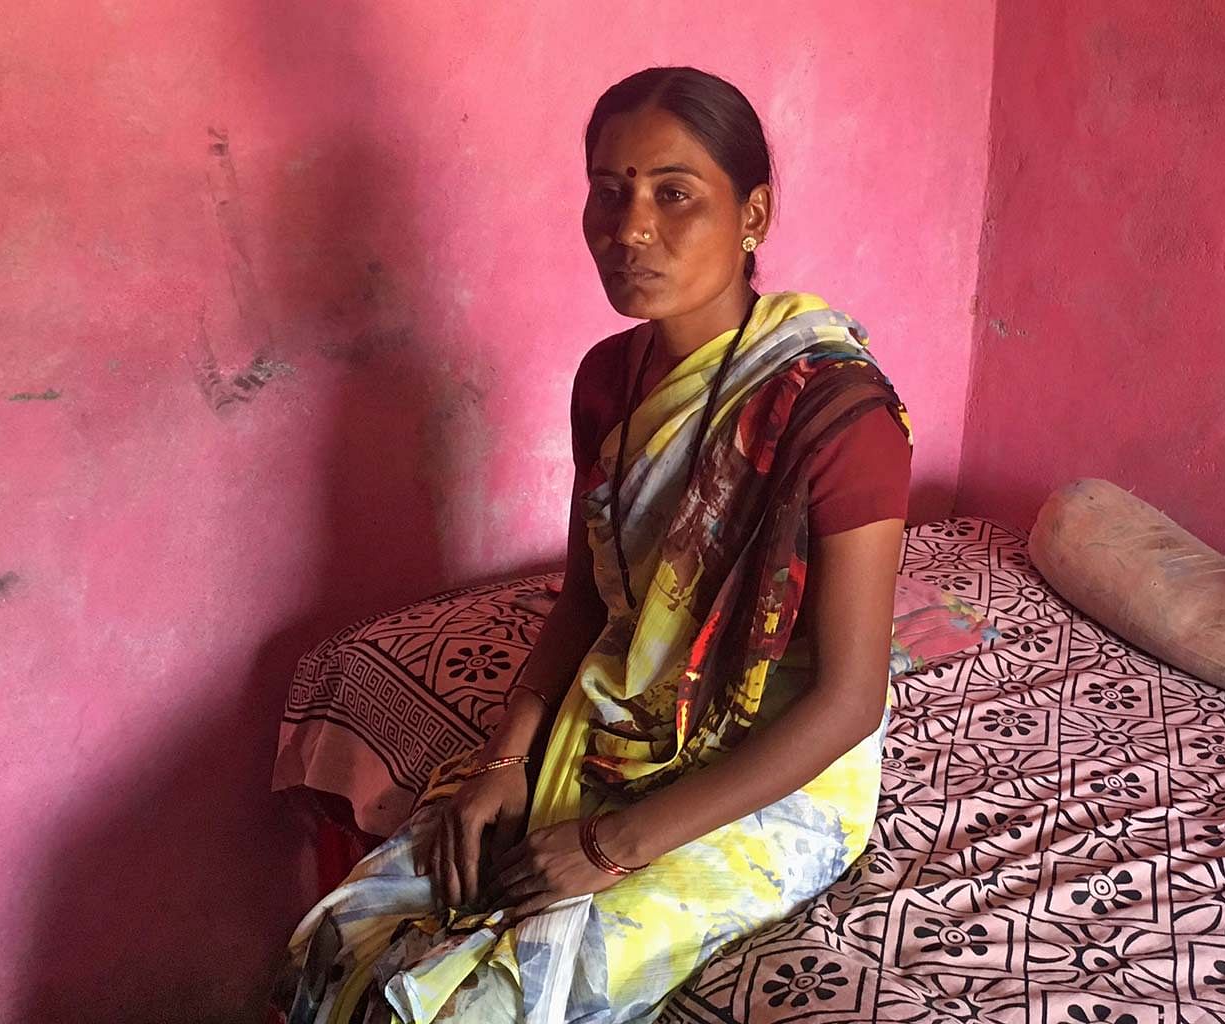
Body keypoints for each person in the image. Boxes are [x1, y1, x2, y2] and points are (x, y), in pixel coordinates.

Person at [276, 66, 912, 1024]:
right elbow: (588, 598)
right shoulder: (609, 380)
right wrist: (504, 763)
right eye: (608, 192)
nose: (630, 229)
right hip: (615, 719)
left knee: (493, 997)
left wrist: (615, 845)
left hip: (778, 770)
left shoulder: (836, 414)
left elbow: (849, 701)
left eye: (674, 193)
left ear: (755, 213)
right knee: (349, 930)